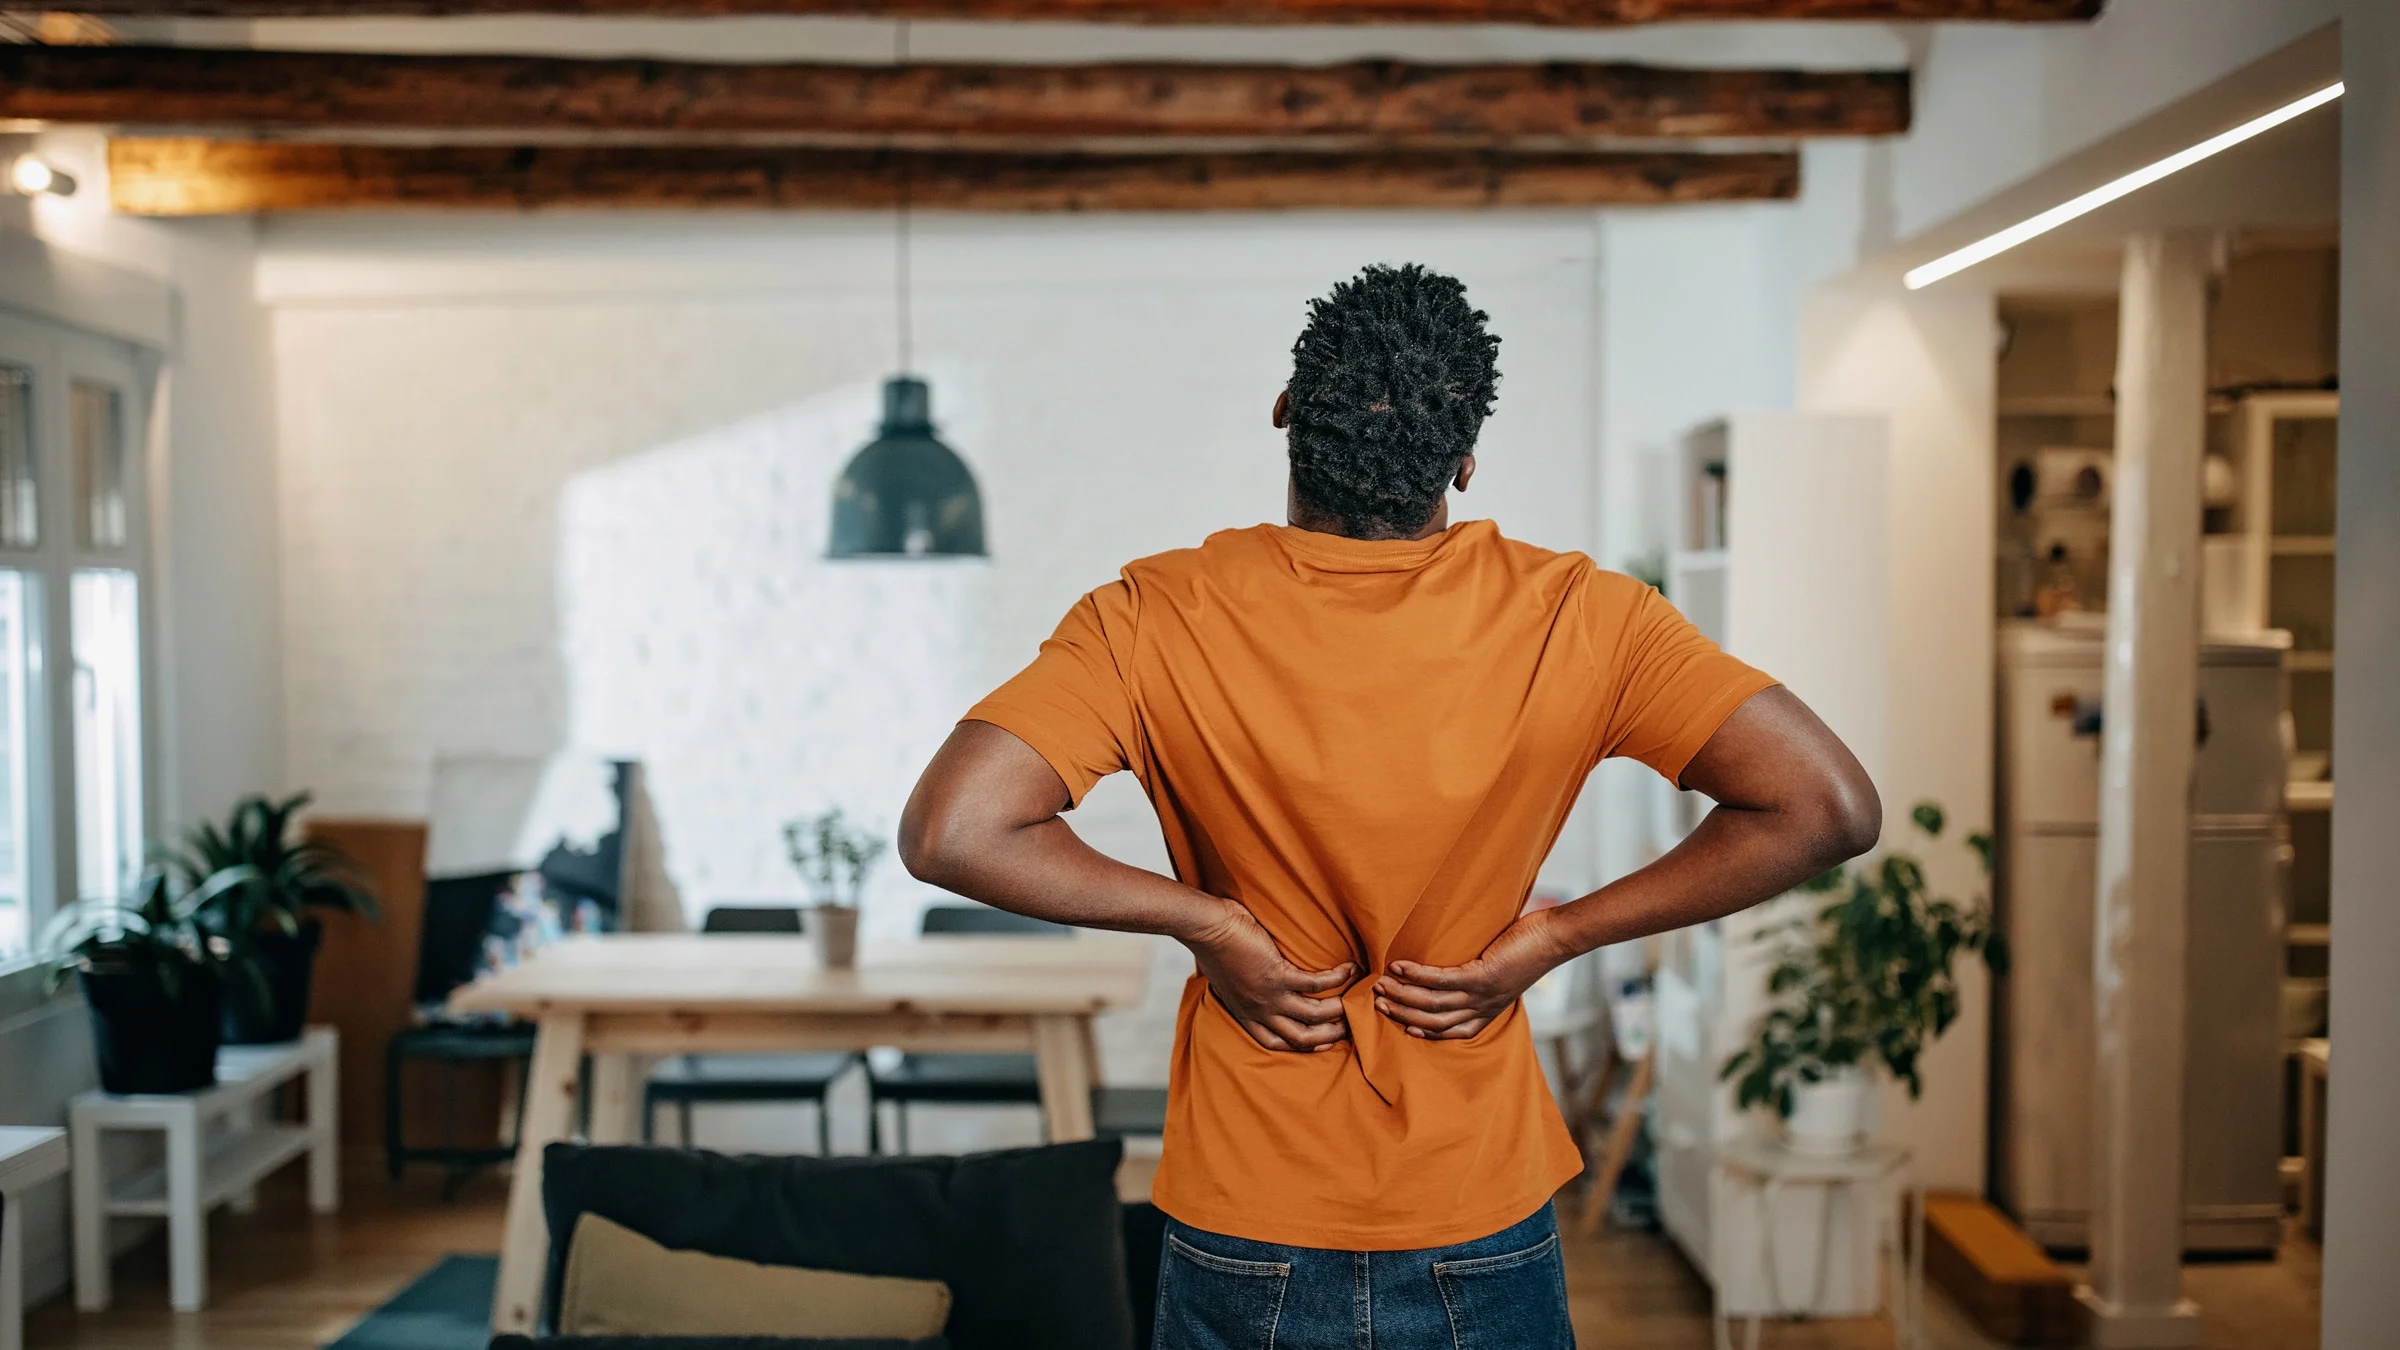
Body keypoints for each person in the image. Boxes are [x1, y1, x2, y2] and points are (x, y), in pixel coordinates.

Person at [899, 263, 1880, 1350]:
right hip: (1478, 1201)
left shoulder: (1150, 616)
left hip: (1248, 1203)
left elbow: (956, 827)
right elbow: (1825, 804)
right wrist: (1555, 937)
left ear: (1287, 415)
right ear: (1464, 459)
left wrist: (1210, 922)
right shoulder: (1585, 618)